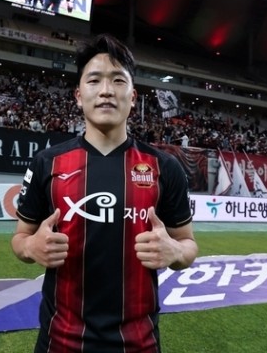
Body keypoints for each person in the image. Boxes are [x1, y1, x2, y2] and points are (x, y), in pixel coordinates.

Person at [11, 33, 198, 353]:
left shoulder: (164, 167)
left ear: (133, 96)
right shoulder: (47, 163)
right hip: (60, 342)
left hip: (139, 343)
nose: (107, 90)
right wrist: (30, 246)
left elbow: (188, 243)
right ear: (78, 95)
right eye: (94, 80)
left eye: (118, 80)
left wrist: (176, 252)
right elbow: (20, 237)